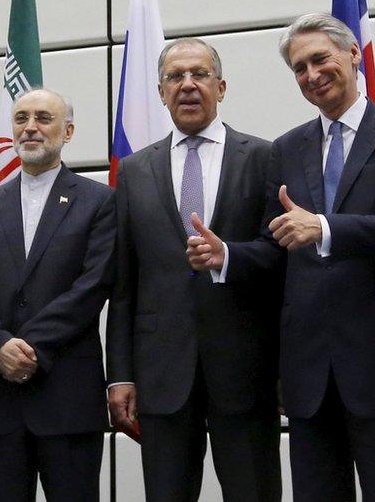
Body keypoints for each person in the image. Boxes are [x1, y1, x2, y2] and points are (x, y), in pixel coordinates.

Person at [188, 13, 375, 501]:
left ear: (352, 55)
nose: (311, 75)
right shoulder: (285, 149)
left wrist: (323, 227)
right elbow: (274, 245)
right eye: (299, 68)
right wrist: (227, 256)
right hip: (307, 374)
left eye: (320, 59)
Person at [106, 38, 282, 501]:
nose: (187, 85)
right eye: (175, 77)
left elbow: (281, 260)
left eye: (199, 74)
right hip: (161, 372)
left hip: (246, 368)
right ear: (161, 92)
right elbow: (125, 282)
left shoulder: (266, 157)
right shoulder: (134, 170)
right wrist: (120, 374)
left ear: (221, 87)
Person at [0, 89, 114, 501]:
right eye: (21, 118)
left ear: (68, 131)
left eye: (43, 118)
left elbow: (92, 286)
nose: (30, 127)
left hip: (67, 393)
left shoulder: (100, 201)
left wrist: (26, 346)